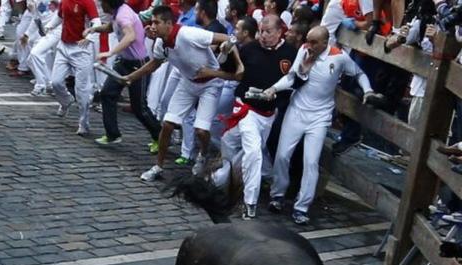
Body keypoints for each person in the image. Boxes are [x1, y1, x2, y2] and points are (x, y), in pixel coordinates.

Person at [262, 25, 375, 224]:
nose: (309, 45)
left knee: (311, 162)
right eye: (308, 40)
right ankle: (277, 195)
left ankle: (301, 207)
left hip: (320, 117)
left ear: (325, 42)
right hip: (296, 111)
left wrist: (367, 91)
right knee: (281, 156)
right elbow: (292, 77)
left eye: (314, 42)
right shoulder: (303, 51)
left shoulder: (338, 57)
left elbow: (359, 73)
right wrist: (273, 88)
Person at [121, 5, 231, 181]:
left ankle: (203, 156)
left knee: (201, 131)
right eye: (152, 22)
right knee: (167, 125)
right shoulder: (160, 43)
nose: (153, 26)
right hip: (187, 83)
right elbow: (154, 64)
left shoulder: (189, 34)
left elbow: (226, 37)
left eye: (157, 22)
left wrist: (226, 50)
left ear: (169, 23)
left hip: (211, 84)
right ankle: (158, 166)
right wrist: (131, 77)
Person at [211, 14, 296, 219]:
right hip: (246, 109)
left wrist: (277, 97)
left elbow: (294, 81)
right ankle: (250, 203)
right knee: (253, 153)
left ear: (279, 31)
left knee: (234, 147)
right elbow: (227, 68)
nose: (263, 35)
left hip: (268, 114)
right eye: (261, 31)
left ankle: (221, 181)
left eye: (268, 32)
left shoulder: (290, 53)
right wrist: (224, 54)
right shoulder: (249, 48)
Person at [90, 0, 161, 146]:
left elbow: (130, 36)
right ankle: (112, 134)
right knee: (107, 94)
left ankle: (160, 137)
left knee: (139, 107)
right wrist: (93, 30)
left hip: (138, 64)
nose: (101, 5)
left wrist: (110, 52)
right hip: (123, 62)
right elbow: (110, 27)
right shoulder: (117, 12)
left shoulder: (123, 14)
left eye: (102, 2)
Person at [51, 0, 101, 135]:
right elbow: (60, 16)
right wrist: (49, 26)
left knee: (82, 90)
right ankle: (66, 100)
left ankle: (84, 123)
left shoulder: (87, 2)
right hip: (63, 46)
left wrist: (89, 38)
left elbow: (97, 23)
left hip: (81, 49)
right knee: (55, 82)